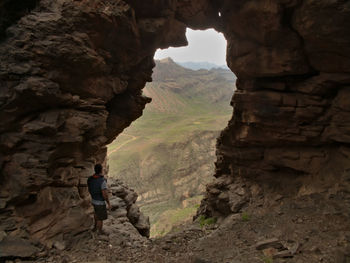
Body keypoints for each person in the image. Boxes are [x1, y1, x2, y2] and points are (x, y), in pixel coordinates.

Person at [87, 164, 111, 234]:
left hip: (93, 200)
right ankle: (100, 231)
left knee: (96, 214)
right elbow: (104, 194)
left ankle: (95, 227)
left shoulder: (90, 179)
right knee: (100, 217)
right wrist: (108, 203)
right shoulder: (102, 180)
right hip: (100, 202)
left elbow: (89, 188)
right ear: (101, 170)